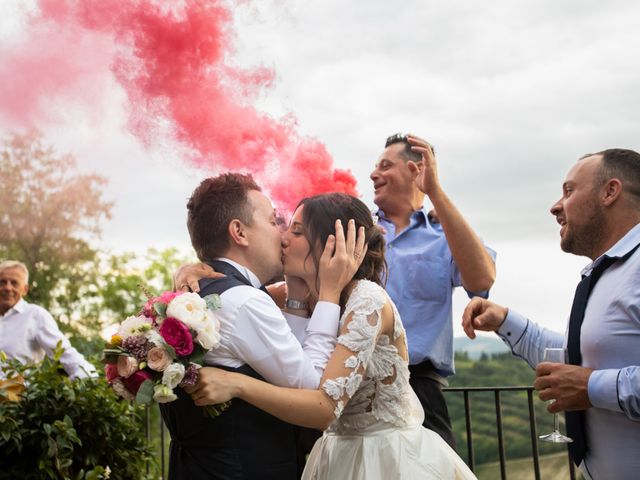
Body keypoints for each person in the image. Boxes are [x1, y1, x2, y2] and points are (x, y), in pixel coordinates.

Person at [187, 193, 477, 480]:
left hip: (388, 456)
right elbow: (296, 373)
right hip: (335, 452)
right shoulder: (304, 298)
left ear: (331, 244)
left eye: (297, 231)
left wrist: (237, 384)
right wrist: (193, 269)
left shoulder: (367, 301)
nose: (284, 238)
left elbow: (323, 406)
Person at [160, 173, 364, 480]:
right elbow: (312, 388)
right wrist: (330, 294)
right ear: (239, 232)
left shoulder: (200, 293)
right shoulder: (245, 302)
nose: (282, 234)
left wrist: (296, 297)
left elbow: (285, 362)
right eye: (273, 221)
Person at [462, 149, 640, 479]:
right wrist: (504, 320)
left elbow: (585, 378)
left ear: (610, 192)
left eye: (569, 191)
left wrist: (592, 388)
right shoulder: (605, 274)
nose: (555, 206)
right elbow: (576, 357)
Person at [369, 133, 496, 447]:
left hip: (420, 387)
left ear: (416, 170)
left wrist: (436, 193)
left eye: (385, 166)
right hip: (360, 384)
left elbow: (482, 280)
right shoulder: (358, 230)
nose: (373, 174)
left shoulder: (444, 233)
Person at [0, 260, 96, 379]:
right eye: (2, 282)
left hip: (21, 395)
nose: (7, 288)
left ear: (25, 289)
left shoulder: (35, 315)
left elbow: (65, 354)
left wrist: (90, 378)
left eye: (14, 283)